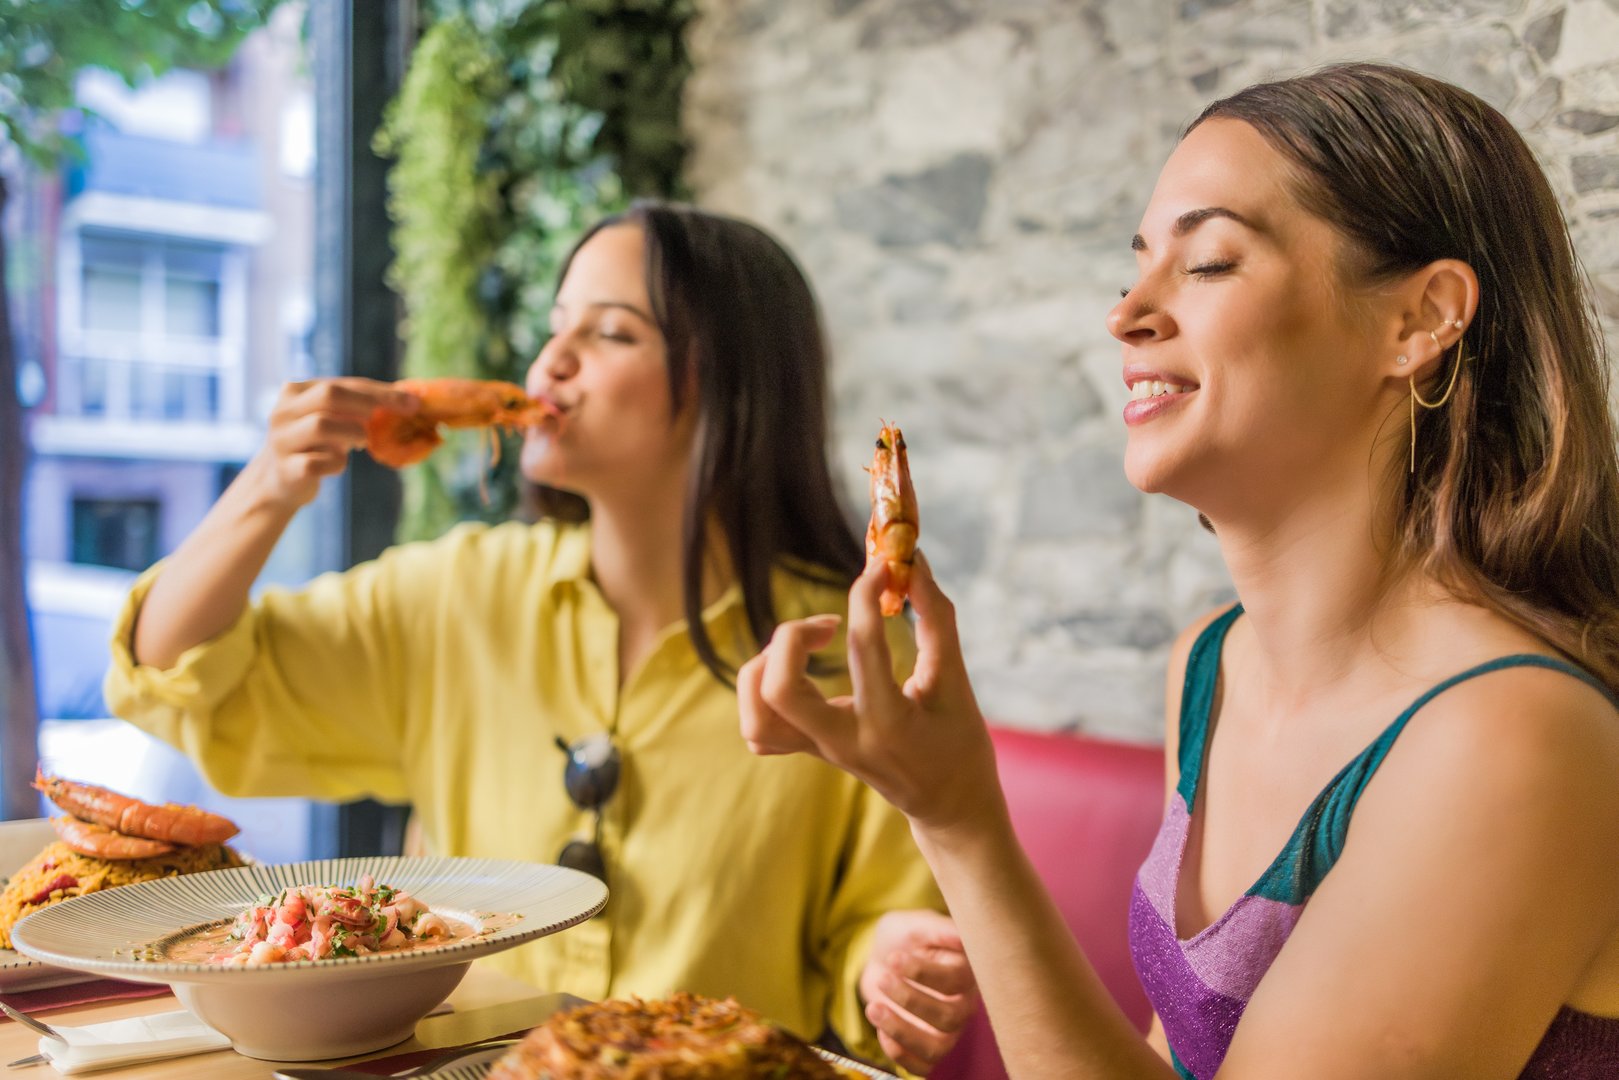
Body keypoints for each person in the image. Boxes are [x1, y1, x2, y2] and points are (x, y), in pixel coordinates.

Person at [739, 63, 1619, 1079]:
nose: (1125, 316)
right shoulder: (1210, 666)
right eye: (1136, 268)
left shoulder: (1511, 742)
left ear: (1418, 321)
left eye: (1205, 263)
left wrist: (958, 821)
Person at [104, 201, 977, 1073]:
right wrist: (269, 486)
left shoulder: (857, 648)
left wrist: (891, 956)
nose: (550, 360)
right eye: (556, 327)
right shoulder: (455, 594)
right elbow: (173, 674)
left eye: (609, 333)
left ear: (726, 379)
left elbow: (875, 920)